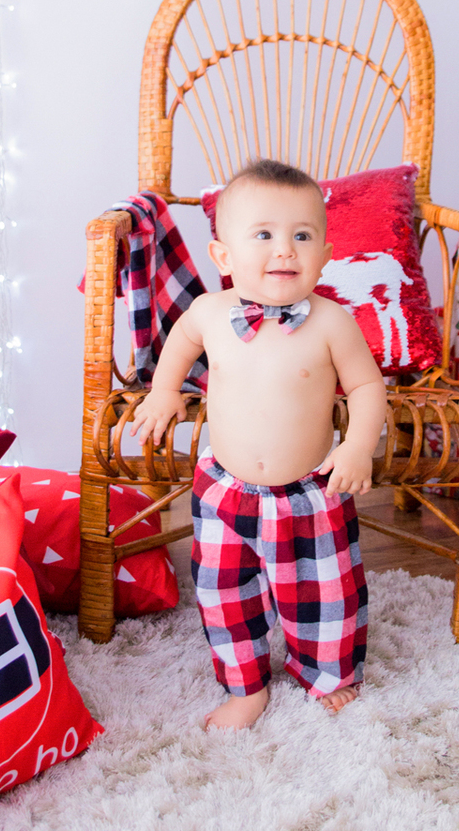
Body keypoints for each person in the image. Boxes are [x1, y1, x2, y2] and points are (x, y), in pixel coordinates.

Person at [130, 159, 386, 731]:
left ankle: (325, 671)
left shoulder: (331, 323)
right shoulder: (210, 313)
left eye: (302, 236)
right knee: (226, 594)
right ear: (224, 257)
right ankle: (245, 685)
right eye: (264, 235)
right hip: (225, 491)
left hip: (311, 492)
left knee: (325, 593)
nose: (285, 250)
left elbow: (368, 387)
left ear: (324, 253)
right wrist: (165, 390)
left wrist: (357, 446)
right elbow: (180, 342)